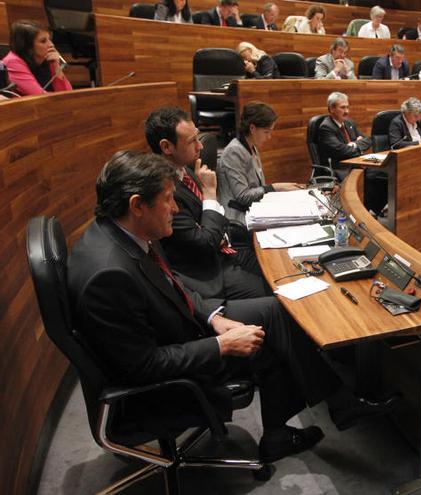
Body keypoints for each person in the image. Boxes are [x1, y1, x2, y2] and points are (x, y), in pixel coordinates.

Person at [68, 151, 396, 461]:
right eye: (168, 199)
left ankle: (331, 408)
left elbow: (171, 284)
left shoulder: (123, 233)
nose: (176, 209)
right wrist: (220, 344)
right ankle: (316, 416)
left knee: (277, 312)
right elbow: (143, 367)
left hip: (179, 327)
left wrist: (213, 317)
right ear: (137, 205)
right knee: (270, 338)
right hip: (166, 378)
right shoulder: (109, 275)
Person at [145, 107, 270, 300]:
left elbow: (208, 226)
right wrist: (210, 194)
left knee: (279, 269)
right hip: (211, 271)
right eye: (192, 141)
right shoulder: (164, 192)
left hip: (227, 249)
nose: (200, 146)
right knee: (277, 293)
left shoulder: (186, 169)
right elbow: (204, 244)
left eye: (198, 137)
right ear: (166, 147)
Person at [217, 102, 304, 228]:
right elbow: (242, 196)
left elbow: (258, 187)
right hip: (237, 217)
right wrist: (274, 188)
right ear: (252, 128)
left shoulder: (252, 147)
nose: (269, 137)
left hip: (253, 209)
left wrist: (276, 190)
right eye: (266, 132)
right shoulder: (234, 151)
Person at [2, 20, 72, 96]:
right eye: (43, 41)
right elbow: (39, 96)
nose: (51, 45)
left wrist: (56, 66)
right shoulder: (13, 62)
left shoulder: (47, 58)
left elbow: (68, 95)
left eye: (50, 40)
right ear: (28, 47)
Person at [318, 91, 372, 177]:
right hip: (341, 168)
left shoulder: (349, 123)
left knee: (380, 172)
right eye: (342, 108)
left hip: (355, 162)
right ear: (332, 109)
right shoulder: (326, 127)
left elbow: (368, 140)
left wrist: (354, 144)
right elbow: (342, 150)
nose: (347, 111)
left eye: (347, 107)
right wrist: (359, 146)